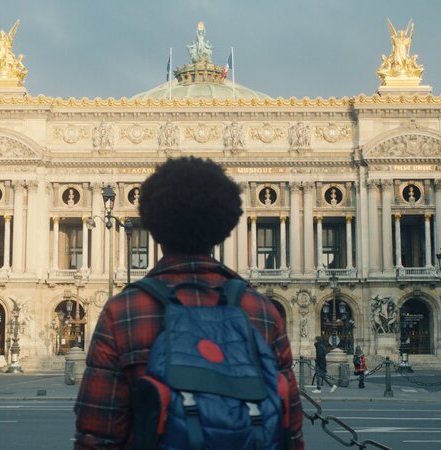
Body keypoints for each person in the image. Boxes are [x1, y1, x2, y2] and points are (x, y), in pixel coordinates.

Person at [74, 156, 303, 450]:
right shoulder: (261, 311)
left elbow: (97, 435)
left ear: (153, 225)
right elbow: (290, 431)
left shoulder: (124, 312)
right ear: (226, 227)